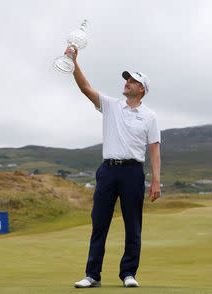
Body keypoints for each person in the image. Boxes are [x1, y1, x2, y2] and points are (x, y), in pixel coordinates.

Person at [66, 47, 161, 288]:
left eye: (133, 81)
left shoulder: (150, 116)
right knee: (99, 223)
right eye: (127, 79)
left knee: (133, 225)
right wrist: (74, 62)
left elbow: (154, 150)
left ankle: (129, 274)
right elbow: (85, 88)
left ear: (142, 89)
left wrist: (156, 181)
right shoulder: (110, 105)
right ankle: (92, 275)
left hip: (132, 172)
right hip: (108, 170)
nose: (127, 82)